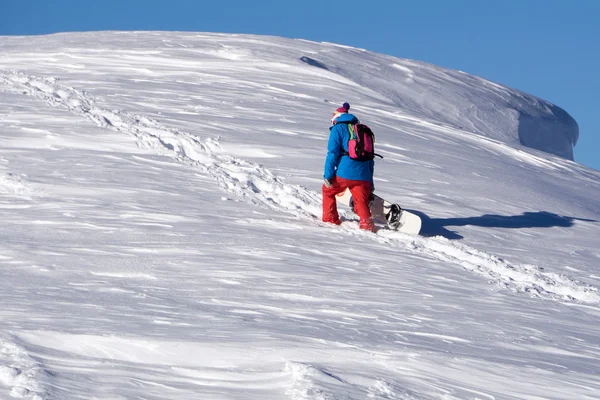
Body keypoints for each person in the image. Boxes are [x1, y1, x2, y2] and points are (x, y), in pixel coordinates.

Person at [322, 102, 375, 232]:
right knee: (360, 199)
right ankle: (366, 225)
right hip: (363, 174)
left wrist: (328, 176)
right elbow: (370, 157)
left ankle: (330, 219)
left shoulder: (338, 129)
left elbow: (332, 153)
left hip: (345, 172)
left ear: (336, 118)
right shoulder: (363, 129)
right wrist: (370, 182)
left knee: (327, 190)